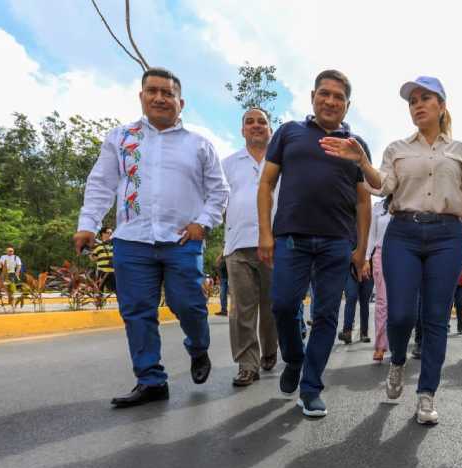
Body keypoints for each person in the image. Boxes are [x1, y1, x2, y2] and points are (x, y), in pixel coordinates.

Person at [321, 75, 462, 425]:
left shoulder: (459, 151)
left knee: (435, 319)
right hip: (403, 234)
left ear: (442, 106)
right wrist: (360, 161)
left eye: (425, 98)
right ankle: (398, 360)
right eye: (412, 100)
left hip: (447, 236)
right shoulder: (397, 149)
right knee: (400, 315)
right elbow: (382, 187)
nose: (417, 105)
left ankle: (427, 394)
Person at [75, 67, 229, 408]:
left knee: (188, 304)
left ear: (180, 101)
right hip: (132, 240)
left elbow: (219, 191)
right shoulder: (121, 138)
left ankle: (199, 346)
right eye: (153, 91)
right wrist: (88, 224)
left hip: (182, 242)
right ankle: (151, 380)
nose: (160, 98)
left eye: (167, 93)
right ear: (142, 96)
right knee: (137, 311)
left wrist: (202, 224)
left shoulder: (199, 144)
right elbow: (100, 184)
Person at [258, 69, 371, 418]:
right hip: (291, 238)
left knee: (325, 315)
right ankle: (294, 358)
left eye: (339, 97)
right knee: (282, 304)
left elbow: (364, 201)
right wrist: (265, 234)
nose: (331, 101)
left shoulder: (356, 146)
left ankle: (311, 388)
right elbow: (266, 184)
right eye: (325, 94)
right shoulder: (290, 133)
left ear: (347, 105)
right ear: (313, 96)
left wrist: (361, 250)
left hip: (337, 242)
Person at [221, 108, 280, 386]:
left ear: (270, 128)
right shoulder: (228, 163)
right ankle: (247, 364)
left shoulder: (282, 162)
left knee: (273, 307)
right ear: (242, 129)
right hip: (238, 246)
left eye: (262, 122)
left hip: (275, 245)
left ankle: (270, 352)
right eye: (249, 122)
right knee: (242, 310)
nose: (256, 126)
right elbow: (220, 202)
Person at [365, 195, 392, 362]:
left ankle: (398, 342)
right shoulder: (378, 207)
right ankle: (380, 346)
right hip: (380, 254)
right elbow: (371, 235)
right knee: (382, 302)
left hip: (404, 254)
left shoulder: (407, 204)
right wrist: (366, 258)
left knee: (401, 303)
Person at [339, 260, 374, 345]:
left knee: (365, 301)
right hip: (351, 267)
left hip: (369, 267)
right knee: (351, 297)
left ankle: (364, 333)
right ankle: (347, 331)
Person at [452, 266, 462, 334]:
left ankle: (460, 326)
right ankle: (446, 325)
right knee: (448, 305)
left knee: (460, 304)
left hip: (461, 284)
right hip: (450, 283)